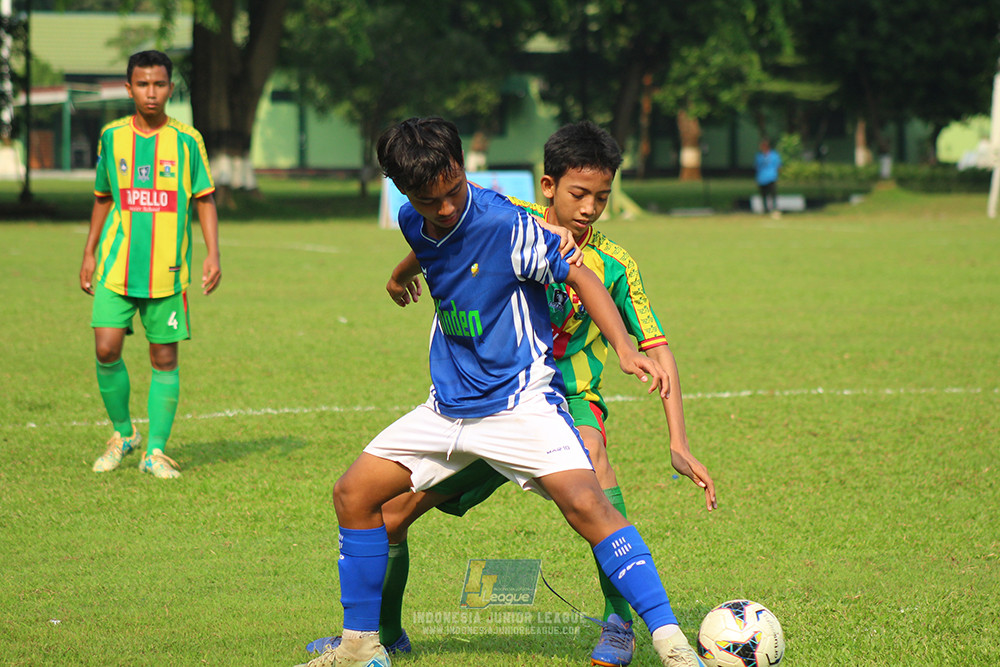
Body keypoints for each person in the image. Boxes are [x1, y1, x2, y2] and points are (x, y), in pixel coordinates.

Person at [307, 121, 715, 666]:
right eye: (431, 201)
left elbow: (583, 279)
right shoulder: (416, 218)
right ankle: (364, 645)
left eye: (454, 192)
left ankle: (669, 645)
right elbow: (429, 246)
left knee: (589, 501)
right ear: (406, 195)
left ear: (462, 170)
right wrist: (398, 275)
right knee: (355, 497)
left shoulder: (507, 223)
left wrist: (622, 347)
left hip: (521, 404)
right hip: (447, 409)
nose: (447, 208)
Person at [79, 50, 221, 479]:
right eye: (142, 84)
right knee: (106, 348)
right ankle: (123, 434)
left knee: (163, 358)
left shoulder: (187, 140)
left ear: (170, 88)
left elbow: (205, 199)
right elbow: (103, 197)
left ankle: (155, 451)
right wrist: (88, 252)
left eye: (159, 84)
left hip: (168, 271)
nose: (151, 93)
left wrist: (213, 253)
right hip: (115, 266)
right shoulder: (112, 137)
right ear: (128, 88)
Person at [754, 138, 782, 218]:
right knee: (763, 195)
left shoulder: (774, 155)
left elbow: (778, 166)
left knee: (773, 194)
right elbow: (757, 167)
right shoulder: (759, 156)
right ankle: (765, 210)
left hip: (771, 177)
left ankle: (775, 209)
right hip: (762, 178)